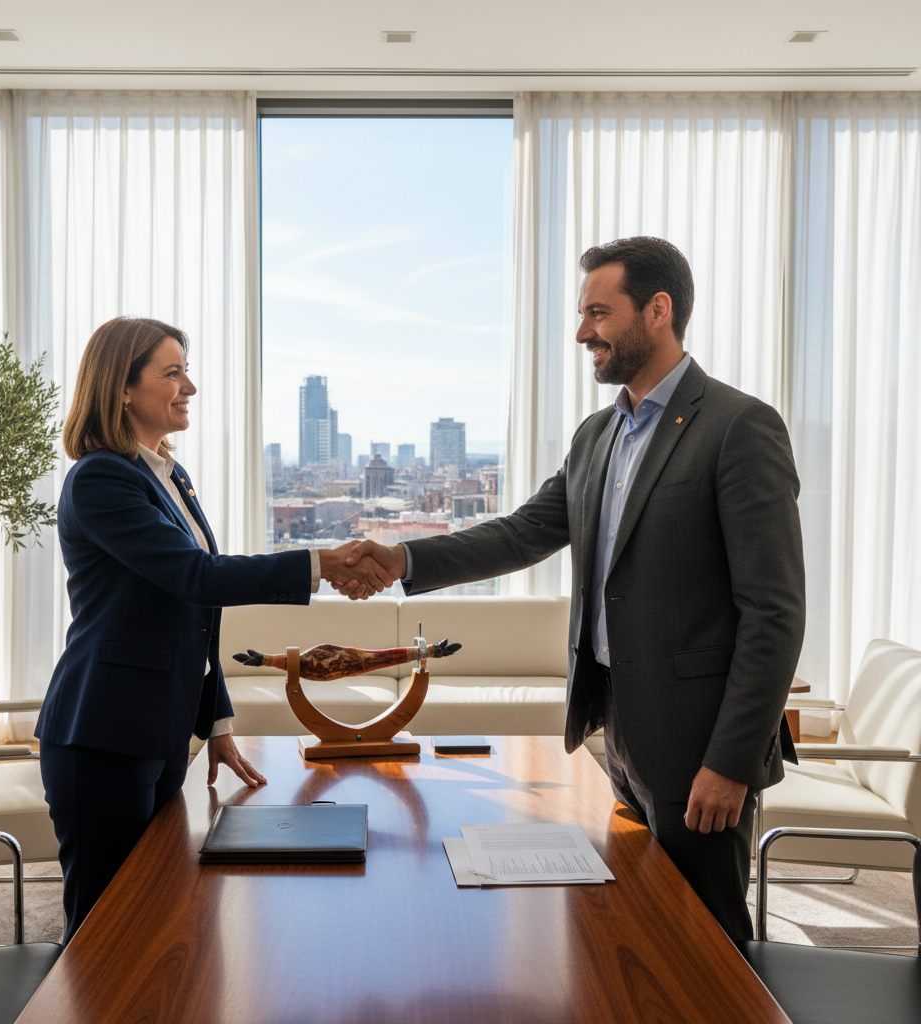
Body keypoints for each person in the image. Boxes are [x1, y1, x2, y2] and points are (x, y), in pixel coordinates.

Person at [345, 237, 806, 941]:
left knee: (707, 938)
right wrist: (402, 558)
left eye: (599, 311)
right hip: (618, 725)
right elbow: (523, 532)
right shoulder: (598, 435)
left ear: (658, 310)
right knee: (640, 923)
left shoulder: (738, 427)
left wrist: (730, 761)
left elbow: (774, 612)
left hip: (698, 740)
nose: (583, 332)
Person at [37, 317, 392, 941]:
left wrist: (217, 722)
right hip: (104, 731)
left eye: (186, 370)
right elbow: (196, 576)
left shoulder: (166, 475)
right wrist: (319, 563)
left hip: (160, 728)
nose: (190, 387)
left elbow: (195, 619)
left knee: (153, 903)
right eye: (172, 373)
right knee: (102, 925)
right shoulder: (100, 479)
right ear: (122, 388)